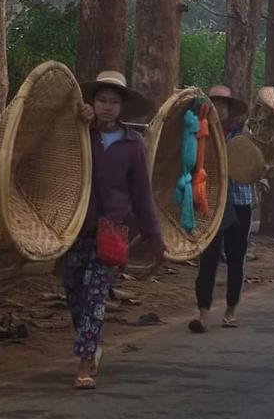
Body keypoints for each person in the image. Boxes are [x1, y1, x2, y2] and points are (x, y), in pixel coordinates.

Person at [68, 71, 165, 390]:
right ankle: (90, 343)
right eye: (101, 100)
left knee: (95, 294)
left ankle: (84, 366)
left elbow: (141, 193)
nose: (107, 107)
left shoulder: (131, 143)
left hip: (112, 229)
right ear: (91, 103)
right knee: (75, 295)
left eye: (113, 102)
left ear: (122, 107)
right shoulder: (78, 133)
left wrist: (154, 236)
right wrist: (76, 119)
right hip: (73, 226)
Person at [190, 85, 253, 333]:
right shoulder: (199, 133)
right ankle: (203, 313)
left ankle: (230, 309)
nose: (219, 109)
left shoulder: (242, 137)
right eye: (214, 104)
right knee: (208, 258)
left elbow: (255, 164)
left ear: (230, 110)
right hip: (210, 203)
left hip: (239, 201)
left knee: (237, 258)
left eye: (223, 105)